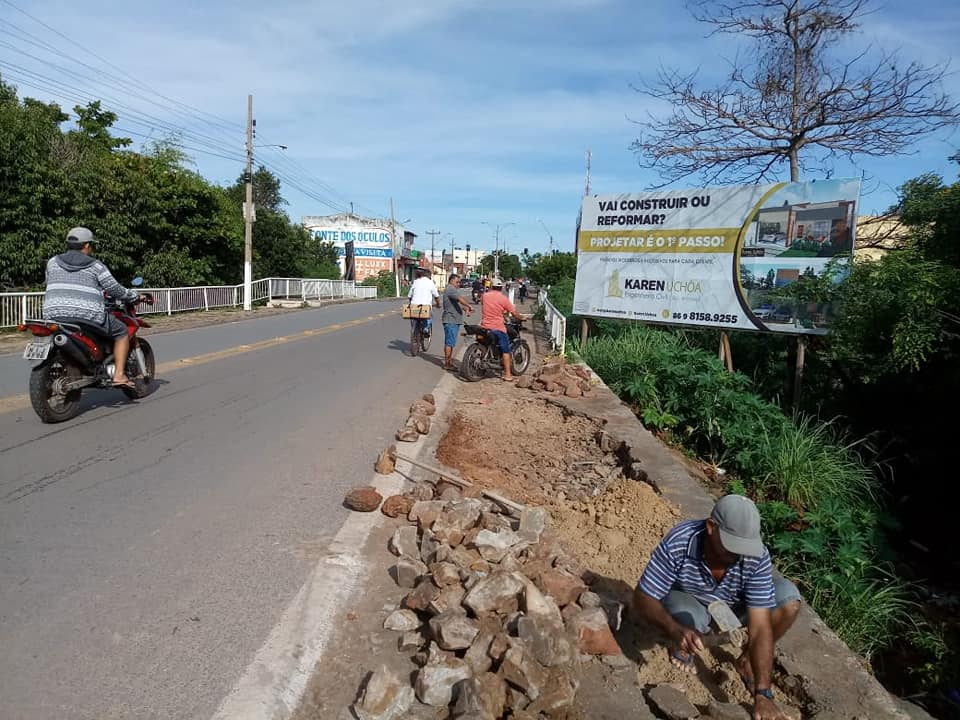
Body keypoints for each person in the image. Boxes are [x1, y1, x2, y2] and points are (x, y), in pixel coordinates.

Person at [633, 495, 800, 720]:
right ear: (711, 527)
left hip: (734, 604)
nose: (738, 554)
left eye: (744, 547)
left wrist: (764, 694)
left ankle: (747, 661)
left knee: (788, 600)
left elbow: (760, 627)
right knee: (689, 617)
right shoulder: (681, 540)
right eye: (732, 545)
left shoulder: (755, 555)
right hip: (689, 599)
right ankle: (682, 641)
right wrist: (673, 628)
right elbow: (644, 596)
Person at [42, 227, 144, 389]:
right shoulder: (96, 266)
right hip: (86, 315)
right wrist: (135, 296)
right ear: (87, 245)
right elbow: (115, 289)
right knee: (122, 332)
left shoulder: (52, 262)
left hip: (52, 314)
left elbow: (49, 281)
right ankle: (119, 375)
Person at [480, 277, 528, 381]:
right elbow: (514, 313)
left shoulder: (485, 296)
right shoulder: (503, 299)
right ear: (501, 288)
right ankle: (507, 374)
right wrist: (522, 317)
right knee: (506, 350)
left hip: (484, 325)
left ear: (492, 286)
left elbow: (485, 306)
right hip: (497, 327)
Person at [442, 273, 474, 370]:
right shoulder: (450, 289)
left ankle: (449, 362)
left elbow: (455, 304)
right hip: (450, 320)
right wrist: (469, 306)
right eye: (457, 282)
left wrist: (464, 309)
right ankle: (447, 364)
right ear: (451, 281)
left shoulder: (452, 290)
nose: (459, 284)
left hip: (453, 320)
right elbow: (460, 299)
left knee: (451, 343)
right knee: (449, 342)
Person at [407, 267, 440, 341]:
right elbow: (436, 296)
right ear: (429, 276)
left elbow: (409, 295)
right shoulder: (430, 282)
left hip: (414, 306)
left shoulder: (416, 281)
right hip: (425, 307)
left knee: (414, 317)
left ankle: (414, 330)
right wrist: (438, 304)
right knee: (429, 317)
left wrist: (411, 302)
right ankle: (425, 329)